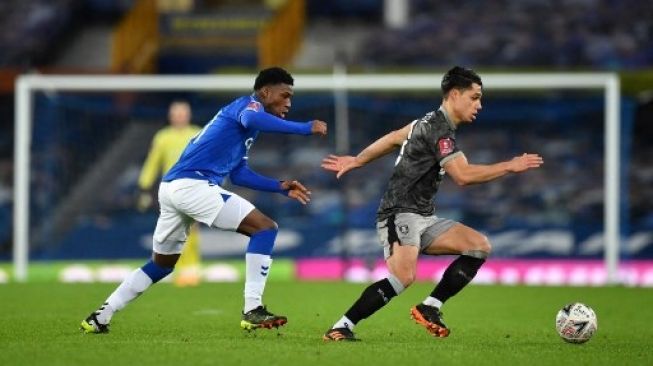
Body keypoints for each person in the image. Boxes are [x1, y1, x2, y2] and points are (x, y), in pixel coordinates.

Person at [81, 67, 328, 334]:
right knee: (265, 228)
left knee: (161, 264)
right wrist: (305, 128)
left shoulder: (247, 126)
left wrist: (278, 186)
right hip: (193, 186)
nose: (289, 103)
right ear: (266, 92)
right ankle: (252, 309)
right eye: (285, 95)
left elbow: (238, 173)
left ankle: (100, 316)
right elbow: (253, 119)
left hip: (172, 188)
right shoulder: (247, 107)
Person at [321, 66, 543, 341]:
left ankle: (430, 306)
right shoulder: (438, 130)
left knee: (478, 246)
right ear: (454, 94)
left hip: (423, 216)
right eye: (474, 98)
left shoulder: (426, 122)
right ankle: (341, 326)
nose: (479, 105)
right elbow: (462, 176)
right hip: (399, 213)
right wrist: (510, 166)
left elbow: (393, 138)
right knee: (403, 277)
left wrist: (357, 159)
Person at [137, 100, 203, 287]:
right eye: (177, 113)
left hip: (193, 187)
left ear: (188, 115)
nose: (180, 117)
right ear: (171, 116)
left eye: (183, 113)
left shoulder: (197, 133)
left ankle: (191, 268)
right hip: (169, 190)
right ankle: (177, 268)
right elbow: (153, 162)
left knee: (192, 228)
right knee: (173, 230)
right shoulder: (163, 137)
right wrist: (144, 187)